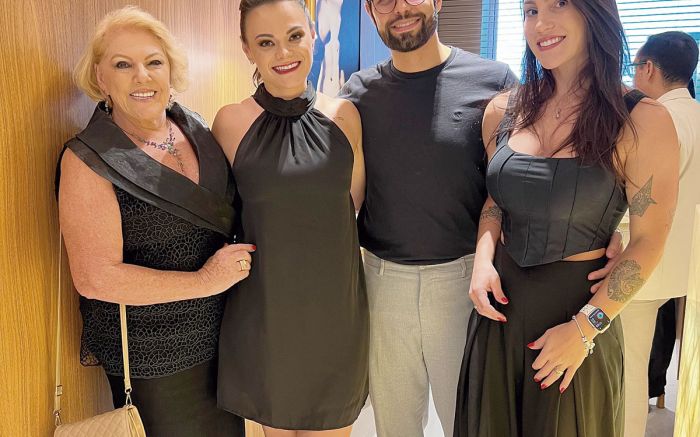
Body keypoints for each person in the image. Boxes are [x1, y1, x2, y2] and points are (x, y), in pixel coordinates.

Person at [338, 1, 621, 436]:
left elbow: (525, 178)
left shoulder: (495, 83)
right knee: (393, 426)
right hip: (382, 281)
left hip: (470, 279)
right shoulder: (357, 94)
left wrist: (603, 230)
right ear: (371, 11)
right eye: (383, 0)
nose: (400, 8)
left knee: (473, 421)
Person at [454, 0, 680, 436]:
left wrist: (584, 329)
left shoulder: (642, 120)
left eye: (559, 3)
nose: (542, 23)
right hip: (498, 314)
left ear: (594, 13)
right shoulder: (504, 110)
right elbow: (496, 201)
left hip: (578, 322)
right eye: (530, 10)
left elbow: (649, 241)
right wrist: (482, 260)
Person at [56, 6, 252, 436]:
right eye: (122, 65)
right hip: (157, 361)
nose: (141, 76)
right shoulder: (87, 159)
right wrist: (205, 281)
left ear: (170, 70)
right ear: (101, 78)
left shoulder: (194, 125)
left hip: (224, 343)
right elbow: (94, 278)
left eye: (154, 62)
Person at [213, 1, 368, 436]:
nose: (283, 53)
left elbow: (351, 206)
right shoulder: (229, 123)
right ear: (247, 49)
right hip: (266, 319)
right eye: (266, 42)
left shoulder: (345, 116)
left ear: (312, 34)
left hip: (335, 317)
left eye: (294, 36)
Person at [620, 31, 700, 437]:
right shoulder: (695, 114)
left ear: (648, 68)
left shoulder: (655, 120)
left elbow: (637, 201)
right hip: (686, 263)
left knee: (626, 373)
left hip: (644, 263)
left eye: (634, 67)